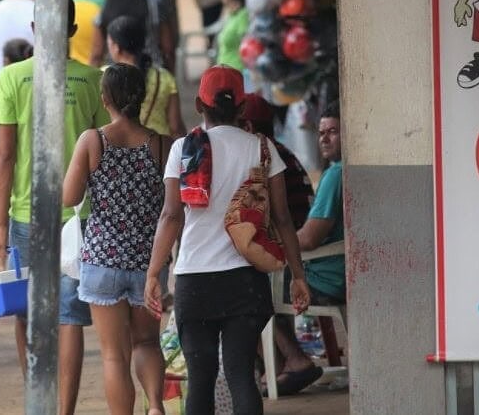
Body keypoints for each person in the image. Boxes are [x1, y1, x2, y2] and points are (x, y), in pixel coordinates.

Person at [144, 66, 311, 415]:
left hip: (195, 281)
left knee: (201, 379)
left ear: (199, 105)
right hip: (245, 282)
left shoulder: (183, 149)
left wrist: (153, 273)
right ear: (241, 108)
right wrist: (298, 276)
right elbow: (282, 219)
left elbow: (170, 217)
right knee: (240, 376)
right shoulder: (262, 149)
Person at [0, 0, 109, 415]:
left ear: (36, 27)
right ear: (74, 32)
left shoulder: (11, 78)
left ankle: (35, 398)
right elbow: (102, 153)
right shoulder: (94, 80)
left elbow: (3, 155)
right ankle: (64, 411)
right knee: (70, 315)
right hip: (82, 217)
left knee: (26, 309)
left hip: (25, 215)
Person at [63, 63, 172, 415]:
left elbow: (69, 197)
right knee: (147, 343)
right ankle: (155, 406)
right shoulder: (161, 146)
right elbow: (172, 208)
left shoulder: (92, 140)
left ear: (104, 97)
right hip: (148, 263)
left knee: (113, 355)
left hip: (102, 260)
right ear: (140, 97)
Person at [269, 101, 345, 396]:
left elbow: (310, 239)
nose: (324, 138)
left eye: (333, 132)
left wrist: (271, 243)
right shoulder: (337, 171)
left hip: (327, 276)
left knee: (254, 287)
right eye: (321, 132)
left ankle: (294, 359)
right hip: (334, 269)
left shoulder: (335, 175)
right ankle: (286, 365)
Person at [240, 94, 314, 231]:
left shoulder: (264, 156)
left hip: (297, 236)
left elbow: (282, 219)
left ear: (247, 128)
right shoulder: (278, 149)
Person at [105, 16, 185, 137]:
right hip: (158, 147)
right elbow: (175, 126)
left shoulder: (103, 76)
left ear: (116, 47)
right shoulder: (164, 77)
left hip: (116, 144)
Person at [0, 38, 34, 218]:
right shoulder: (39, 78)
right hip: (31, 147)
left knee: (1, 198)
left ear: (5, 60)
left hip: (3, 149)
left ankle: (2, 231)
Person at [94, 0, 159, 67]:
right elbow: (163, 41)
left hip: (114, 73)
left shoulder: (105, 9)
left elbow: (97, 53)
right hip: (150, 67)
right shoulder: (151, 6)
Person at [216, 0, 250, 71]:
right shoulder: (231, 15)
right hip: (225, 71)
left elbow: (246, 45)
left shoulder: (243, 16)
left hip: (238, 72)